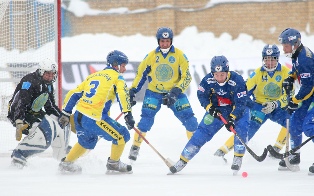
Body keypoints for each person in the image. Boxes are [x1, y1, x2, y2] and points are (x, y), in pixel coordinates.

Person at [58, 50, 135, 174]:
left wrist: (66, 113)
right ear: (116, 65)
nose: (125, 69)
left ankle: (66, 164)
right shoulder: (117, 77)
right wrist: (127, 114)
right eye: (123, 65)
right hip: (95, 118)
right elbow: (122, 93)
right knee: (122, 135)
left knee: (86, 142)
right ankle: (114, 164)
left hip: (79, 116)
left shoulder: (94, 75)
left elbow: (73, 93)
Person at [127, 27, 198, 162]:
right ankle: (135, 147)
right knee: (145, 120)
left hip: (174, 93)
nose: (165, 44)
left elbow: (186, 77)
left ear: (171, 40)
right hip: (154, 92)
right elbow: (141, 75)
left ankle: (195, 146)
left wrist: (175, 92)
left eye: (167, 41)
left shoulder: (180, 55)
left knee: (190, 120)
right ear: (158, 41)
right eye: (162, 41)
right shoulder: (151, 56)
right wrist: (133, 91)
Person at [169, 55, 249, 174]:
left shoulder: (237, 80)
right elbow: (201, 95)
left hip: (237, 110)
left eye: (222, 74)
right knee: (201, 133)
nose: (219, 78)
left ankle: (238, 157)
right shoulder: (207, 80)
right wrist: (209, 108)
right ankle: (183, 160)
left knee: (242, 128)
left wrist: (232, 118)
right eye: (216, 75)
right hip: (217, 111)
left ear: (227, 71)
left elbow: (241, 103)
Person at [214, 44, 290, 161]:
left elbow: (289, 95)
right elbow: (244, 92)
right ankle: (222, 150)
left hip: (277, 107)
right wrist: (251, 105)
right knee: (248, 130)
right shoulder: (257, 73)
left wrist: (276, 104)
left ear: (277, 59)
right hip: (260, 108)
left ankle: (278, 148)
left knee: (292, 122)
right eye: (266, 59)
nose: (269, 62)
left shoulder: (286, 72)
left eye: (272, 59)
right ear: (263, 59)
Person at [7, 58, 71, 168]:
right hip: (18, 113)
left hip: (34, 112)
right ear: (41, 72)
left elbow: (50, 106)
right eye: (47, 74)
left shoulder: (48, 85)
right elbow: (21, 102)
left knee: (61, 123)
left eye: (52, 74)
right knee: (44, 131)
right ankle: (19, 154)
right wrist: (19, 121)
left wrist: (62, 116)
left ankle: (63, 155)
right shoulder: (29, 81)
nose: (50, 77)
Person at [277, 28, 314, 174]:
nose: (283, 48)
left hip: (310, 94)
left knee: (310, 126)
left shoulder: (305, 58)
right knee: (295, 124)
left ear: (294, 43)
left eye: (285, 45)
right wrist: (291, 77)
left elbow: (308, 86)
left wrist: (294, 100)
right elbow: (297, 71)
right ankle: (294, 155)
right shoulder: (297, 53)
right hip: (309, 94)